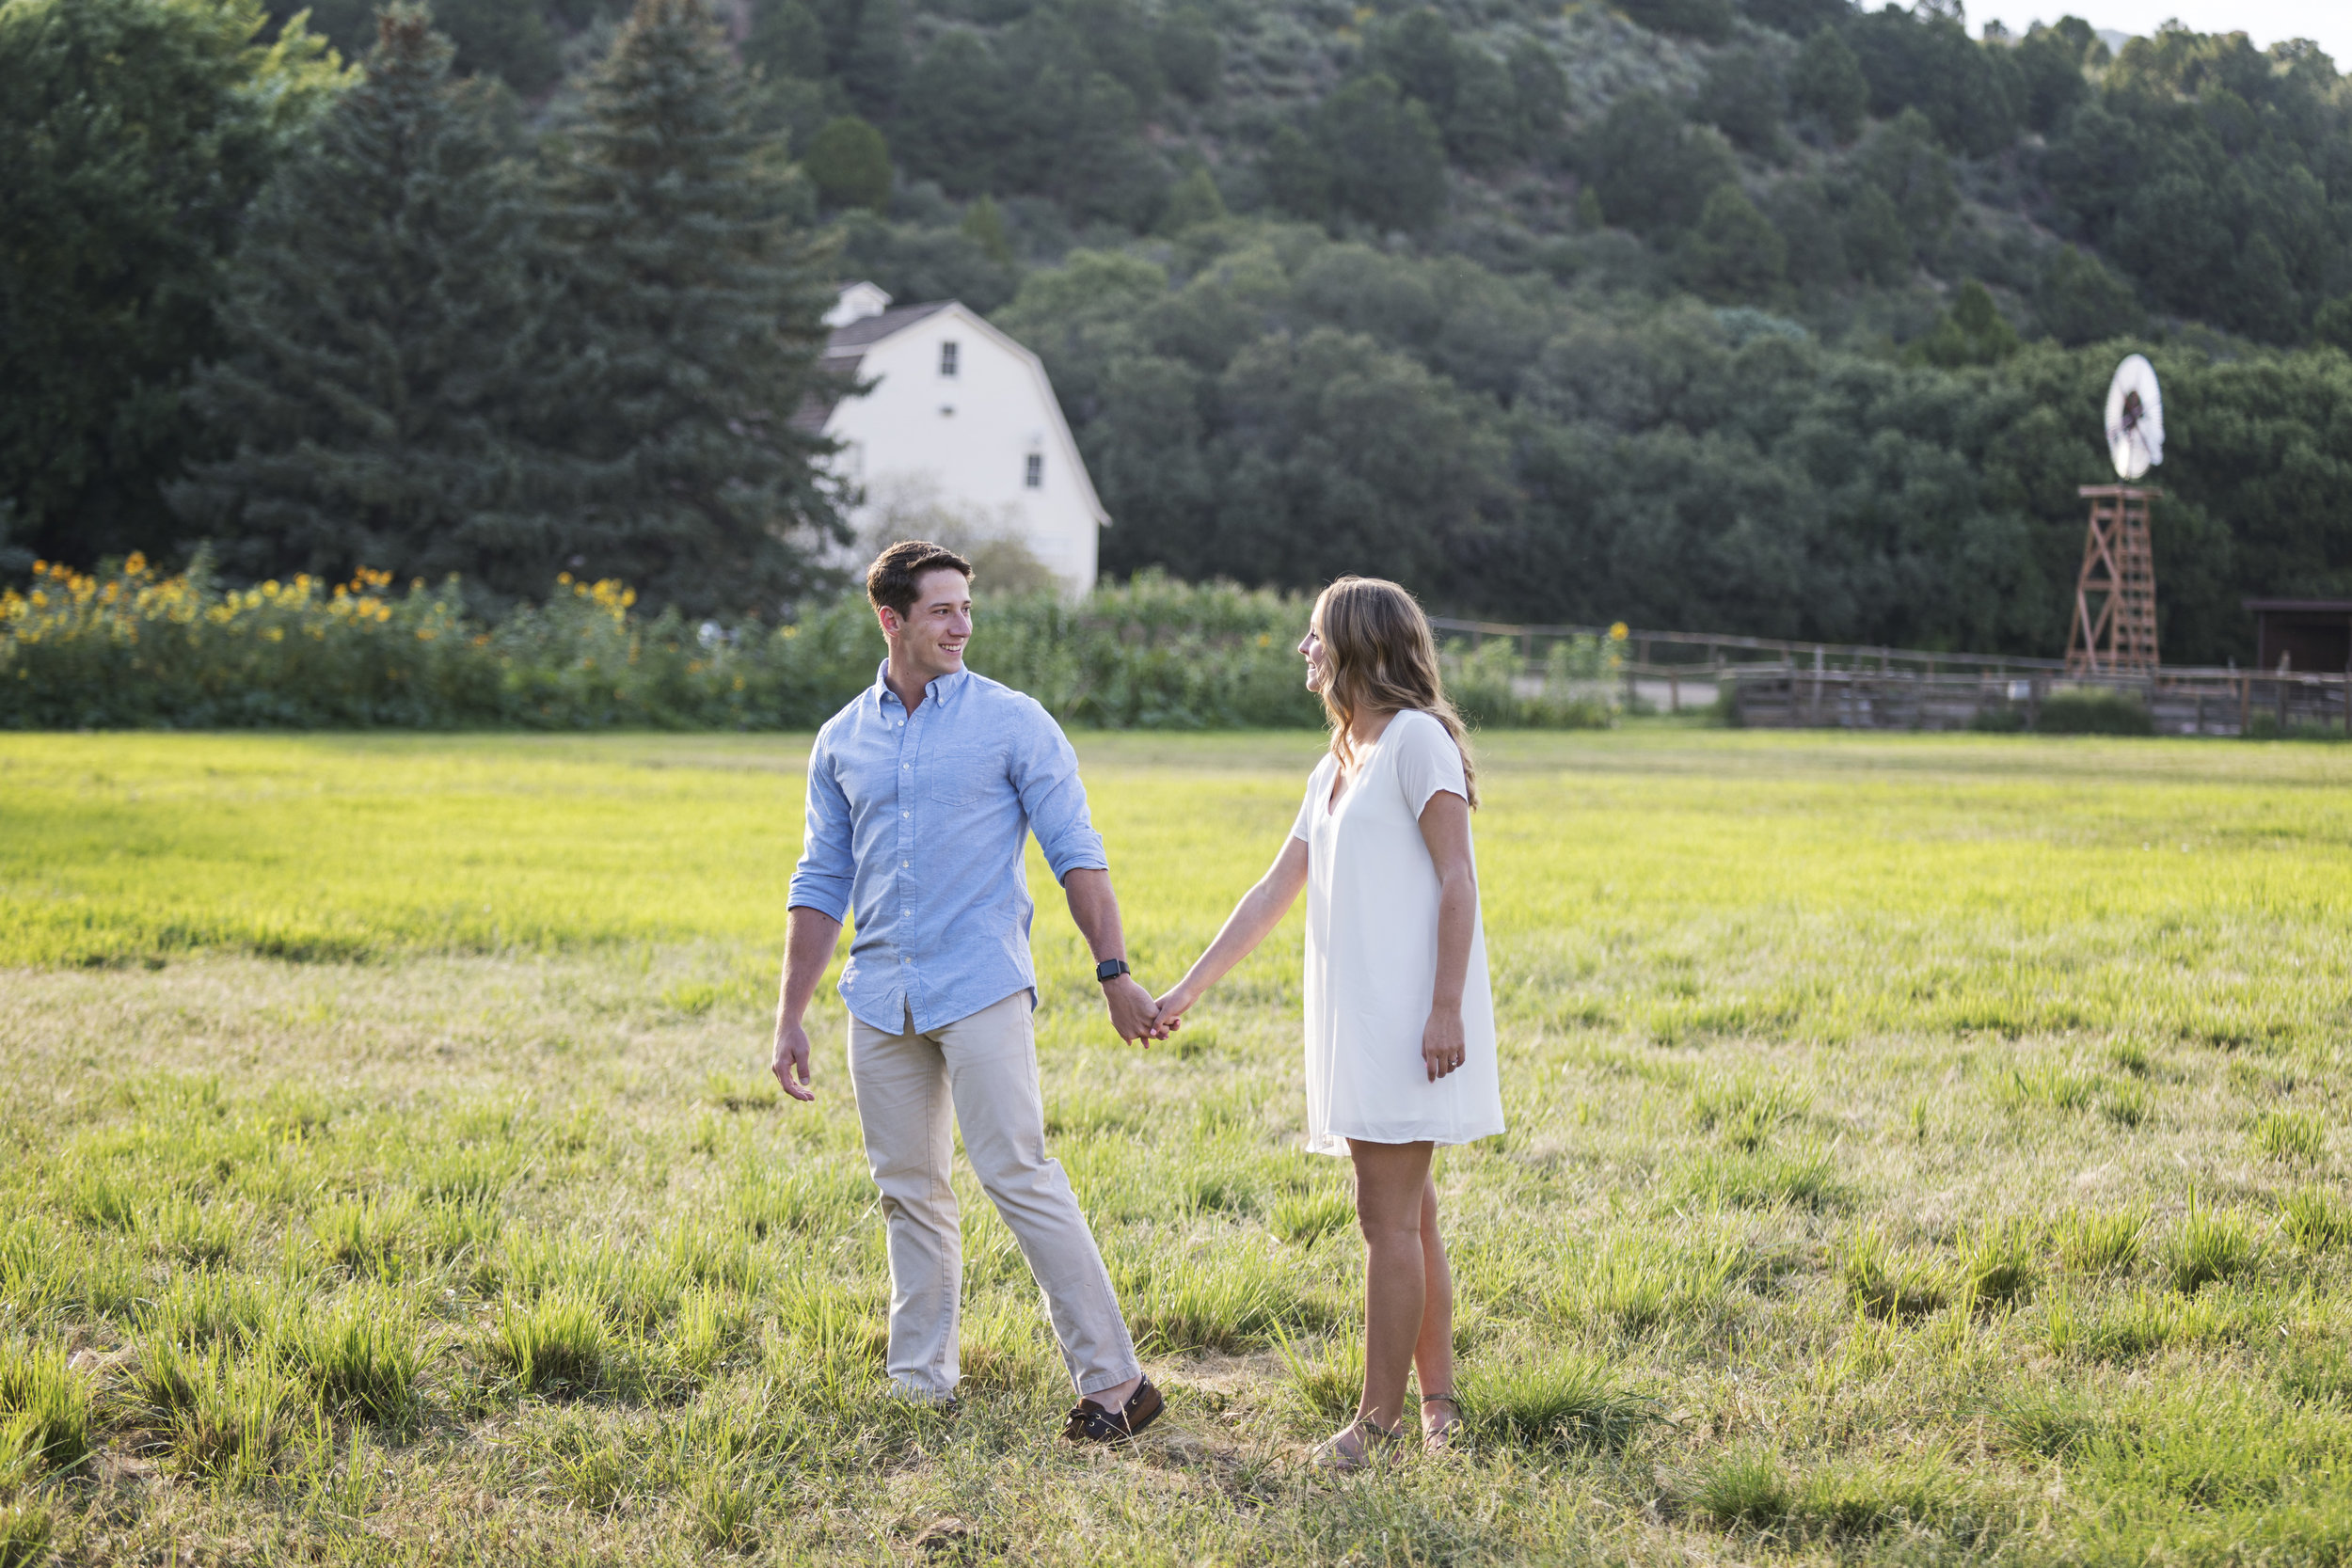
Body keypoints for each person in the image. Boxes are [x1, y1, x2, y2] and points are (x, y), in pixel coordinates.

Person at [771, 540, 1168, 1443]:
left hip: (981, 984)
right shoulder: (843, 738)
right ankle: (921, 1382)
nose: (961, 626)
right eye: (942, 610)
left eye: (965, 608)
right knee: (907, 1188)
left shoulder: (1013, 721)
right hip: (879, 994)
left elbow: (1077, 851)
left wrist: (1113, 972)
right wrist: (790, 1014)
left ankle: (1117, 1382)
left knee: (1018, 1174)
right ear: (893, 619)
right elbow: (819, 879)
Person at [1153, 576, 1504, 1469]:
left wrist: (1442, 1006)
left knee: (1385, 1220)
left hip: (1410, 1016)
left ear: (1358, 646)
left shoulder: (1416, 741)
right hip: (1359, 1015)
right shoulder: (1337, 762)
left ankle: (1377, 1427)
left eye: (1316, 638)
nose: (1304, 652)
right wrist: (1186, 991)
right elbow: (1275, 888)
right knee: (1410, 1217)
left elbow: (1459, 878)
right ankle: (1438, 1409)